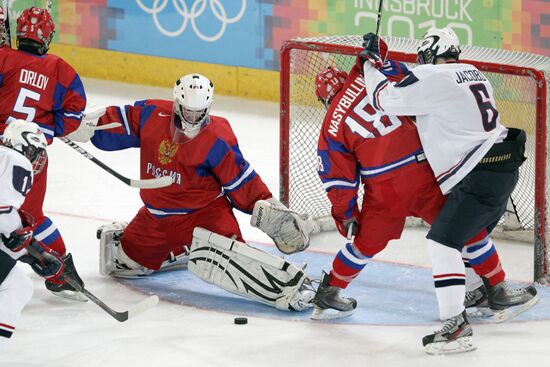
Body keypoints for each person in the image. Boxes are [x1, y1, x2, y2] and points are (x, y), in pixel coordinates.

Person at [313, 55, 537, 325]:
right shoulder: (368, 79)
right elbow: (409, 76)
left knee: (364, 243)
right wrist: (374, 56)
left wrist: (346, 215)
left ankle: (329, 289)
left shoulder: (331, 126)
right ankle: (496, 288)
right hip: (422, 174)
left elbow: (339, 181)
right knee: (462, 230)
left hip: (383, 190)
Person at [68, 73, 318, 312]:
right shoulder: (153, 113)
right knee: (125, 262)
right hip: (157, 217)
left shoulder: (217, 135)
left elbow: (241, 179)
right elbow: (123, 119)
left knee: (234, 260)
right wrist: (87, 125)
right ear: (177, 102)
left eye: (199, 113)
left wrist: (269, 207)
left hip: (205, 214)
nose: (192, 117)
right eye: (188, 110)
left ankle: (291, 287)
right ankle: (180, 250)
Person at [359, 28, 533, 353]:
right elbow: (420, 88)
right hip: (502, 171)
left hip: (479, 174)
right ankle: (482, 290)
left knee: (442, 242)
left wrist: (370, 66)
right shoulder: (472, 72)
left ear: (428, 53)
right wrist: (385, 63)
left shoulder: (433, 76)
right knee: (465, 237)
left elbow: (386, 100)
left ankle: (455, 325)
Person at [0, 7, 87, 301]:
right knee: (32, 215)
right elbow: (74, 114)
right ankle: (63, 271)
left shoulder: (4, 59)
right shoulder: (62, 70)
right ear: (47, 37)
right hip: (32, 154)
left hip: (1, 148)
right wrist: (47, 129)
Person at [0, 120, 65, 351]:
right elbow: (3, 214)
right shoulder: (14, 160)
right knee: (18, 286)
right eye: (33, 152)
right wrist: (23, 236)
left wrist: (34, 255)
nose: (35, 160)